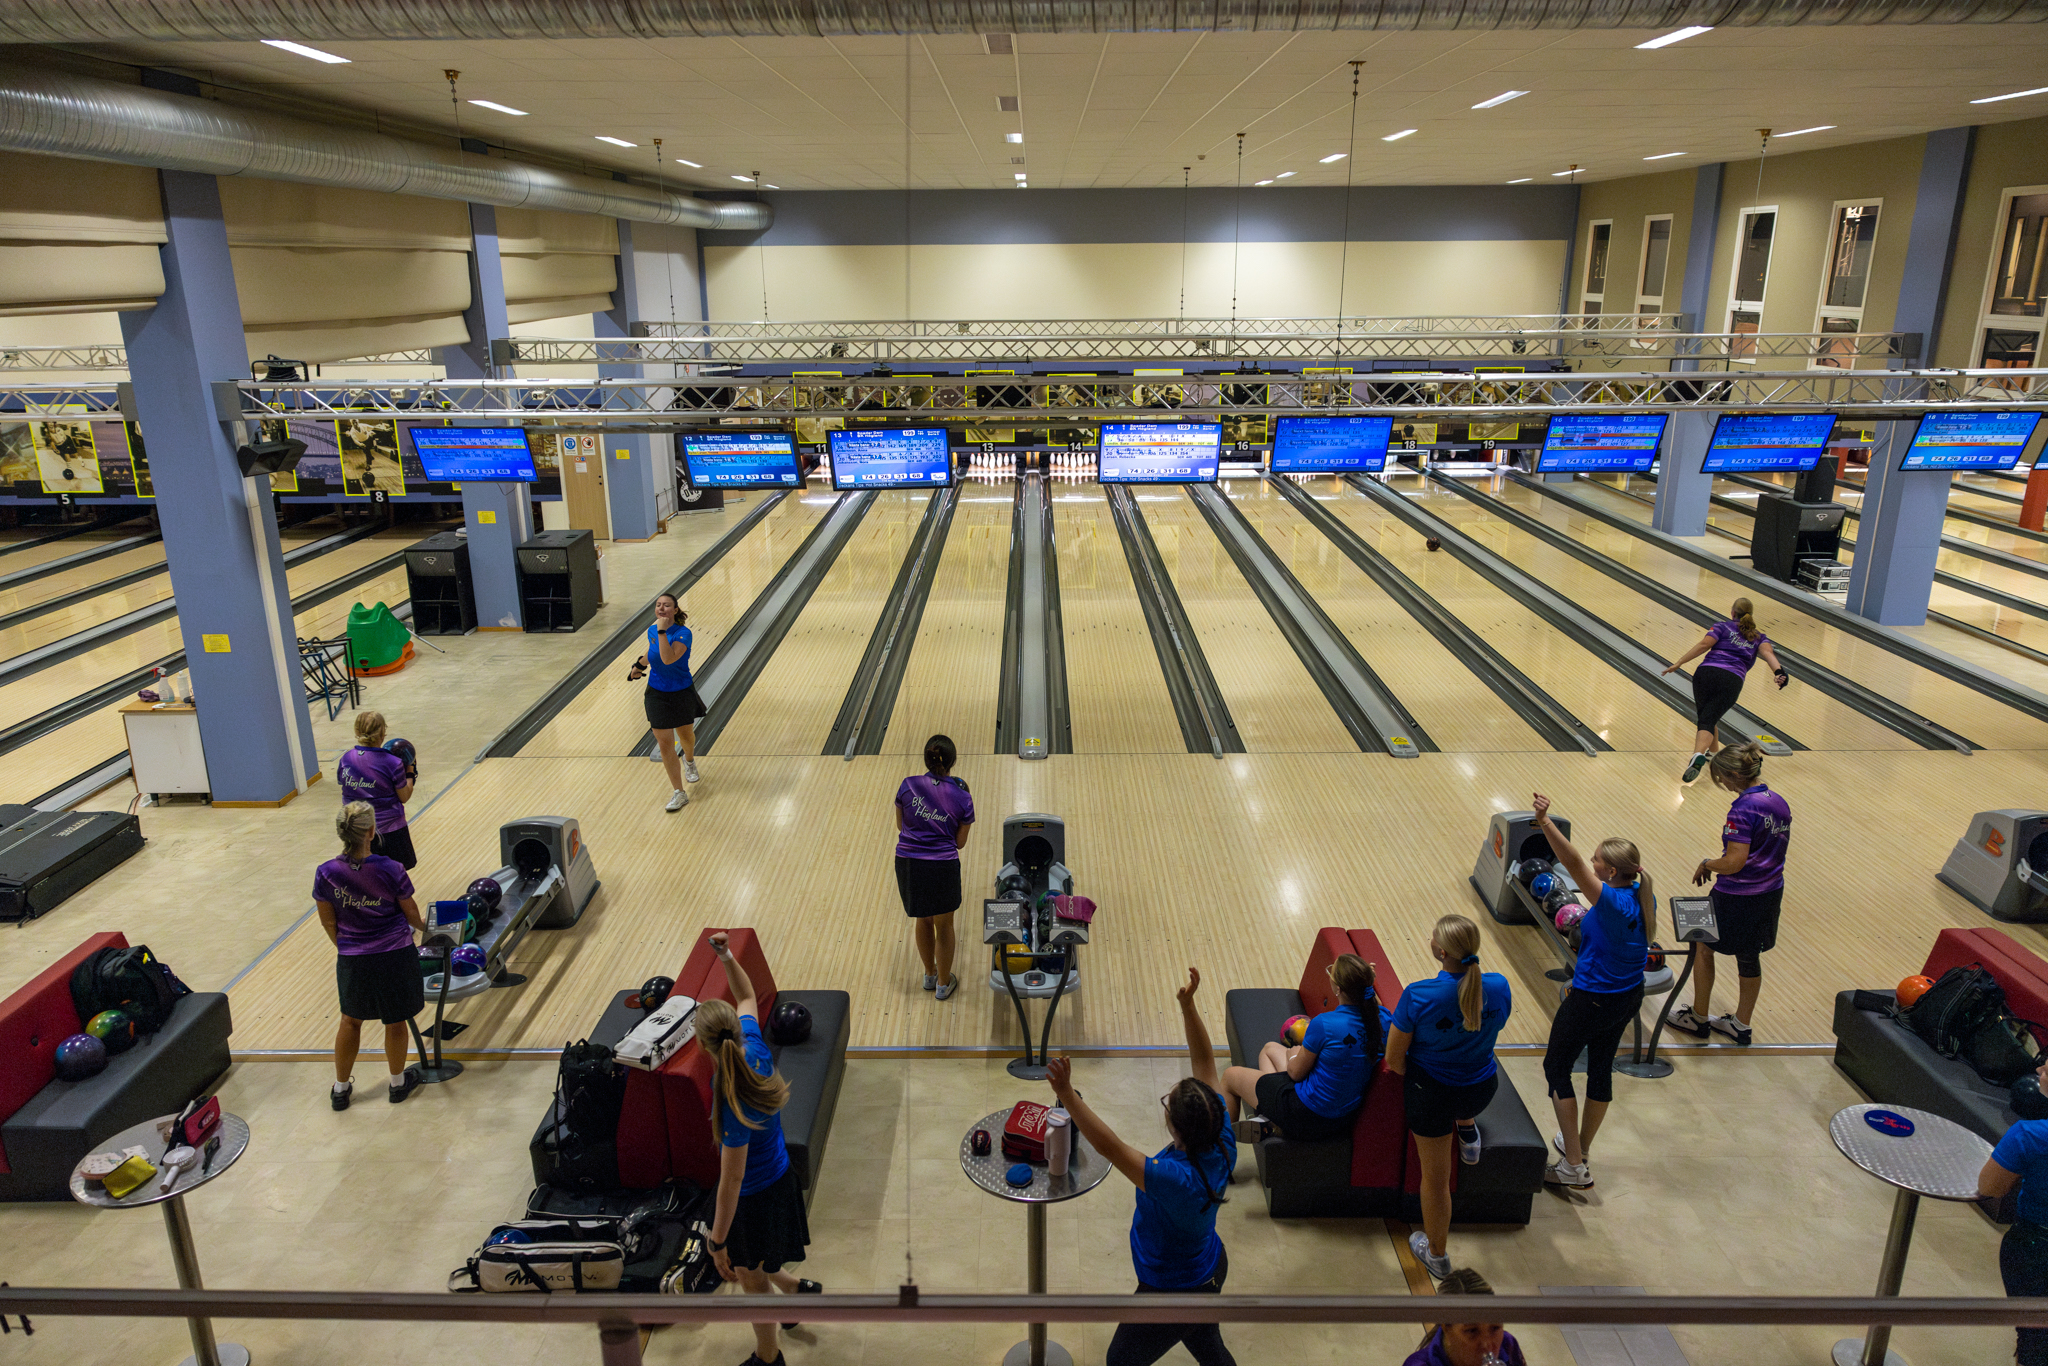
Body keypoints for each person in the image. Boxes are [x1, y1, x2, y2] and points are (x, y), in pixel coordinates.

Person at [1047, 967, 1238, 1366]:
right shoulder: (1220, 1135)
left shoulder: (1174, 1179)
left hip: (1175, 1291)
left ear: (1177, 1128)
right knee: (1211, 1351)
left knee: (1119, 1361)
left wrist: (1066, 1092)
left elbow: (1110, 1147)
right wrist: (1187, 1007)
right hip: (1205, 1270)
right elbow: (1205, 1062)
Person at [701, 931, 820, 1366]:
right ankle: (791, 1293)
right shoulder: (756, 1050)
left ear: (705, 1048)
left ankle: (768, 1358)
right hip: (782, 1179)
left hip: (753, 1200)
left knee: (751, 1280)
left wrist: (716, 1242)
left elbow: (732, 1179)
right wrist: (726, 955)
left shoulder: (729, 1096)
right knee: (768, 1257)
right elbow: (747, 994)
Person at [1531, 792, 1652, 1190]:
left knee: (1555, 1068)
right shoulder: (1639, 892)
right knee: (1600, 1068)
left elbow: (1572, 863)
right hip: (1626, 997)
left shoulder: (1613, 899)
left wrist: (1545, 822)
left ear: (1613, 871)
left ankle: (1572, 1165)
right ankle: (1578, 1152)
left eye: (1599, 858)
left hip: (1594, 999)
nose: (1593, 861)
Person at [1386, 914, 1511, 1281]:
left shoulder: (1420, 994)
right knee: (1465, 1083)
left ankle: (1437, 1255)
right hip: (1480, 1091)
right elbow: (1492, 1026)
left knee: (1436, 1181)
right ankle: (1468, 1133)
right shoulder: (1499, 986)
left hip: (1433, 1098)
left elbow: (1394, 1060)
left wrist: (1424, 1078)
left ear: (1439, 951)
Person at [1670, 742, 1791, 1048]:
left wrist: (1707, 863)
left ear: (1736, 774)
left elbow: (1734, 862)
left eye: (1722, 778)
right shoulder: (1777, 801)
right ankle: (1740, 1025)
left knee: (1701, 943)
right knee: (1749, 956)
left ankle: (1698, 1018)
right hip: (1770, 890)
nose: (1721, 783)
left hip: (1736, 895)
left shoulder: (1743, 808)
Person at [314, 801, 425, 1109]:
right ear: (372, 832)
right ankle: (397, 1084)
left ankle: (340, 1090)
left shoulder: (326, 873)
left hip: (353, 957)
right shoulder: (391, 868)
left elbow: (327, 921)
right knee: (395, 1019)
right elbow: (412, 914)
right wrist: (434, 929)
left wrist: (348, 948)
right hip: (395, 954)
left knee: (350, 1021)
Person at [1218, 953, 1381, 1141]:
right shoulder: (1382, 1022)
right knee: (1269, 1049)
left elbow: (1295, 1073)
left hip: (1305, 1114)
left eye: (1331, 972)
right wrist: (1368, 984)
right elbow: (1376, 1008)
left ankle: (1222, 1151)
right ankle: (1270, 1119)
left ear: (1338, 989)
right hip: (1342, 1119)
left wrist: (1294, 1056)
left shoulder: (1325, 1024)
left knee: (1230, 1077)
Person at [1660, 596, 1788, 784]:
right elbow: (1768, 653)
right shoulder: (1759, 637)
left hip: (1705, 674)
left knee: (1707, 716)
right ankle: (1698, 754)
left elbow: (1705, 644)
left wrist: (1679, 662)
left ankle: (1711, 754)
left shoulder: (1722, 626)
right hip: (1731, 680)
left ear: (1732, 613)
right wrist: (1779, 672)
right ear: (1750, 615)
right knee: (1709, 717)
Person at [895, 733, 973, 1000]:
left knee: (923, 918)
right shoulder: (962, 796)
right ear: (952, 761)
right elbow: (960, 843)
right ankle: (943, 984)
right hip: (941, 867)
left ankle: (929, 974)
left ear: (926, 759)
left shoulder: (907, 785)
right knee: (945, 924)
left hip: (908, 862)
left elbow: (900, 825)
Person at [1981, 1063, 2048, 1366]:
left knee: (2036, 1341)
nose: (2040, 1067)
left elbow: (1989, 1186)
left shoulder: (2029, 1136)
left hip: (2035, 1253)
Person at [629, 592, 705, 812]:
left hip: (681, 692)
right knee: (664, 742)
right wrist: (639, 665)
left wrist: (662, 631)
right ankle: (679, 792)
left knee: (685, 736)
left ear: (675, 610)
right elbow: (652, 651)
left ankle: (689, 760)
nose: (661, 609)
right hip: (656, 693)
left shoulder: (683, 634)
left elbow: (668, 658)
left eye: (666, 605)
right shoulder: (653, 630)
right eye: (658, 605)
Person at [336, 710, 415, 869]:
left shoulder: (346, 759)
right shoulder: (392, 762)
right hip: (389, 831)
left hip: (356, 830)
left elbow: (342, 783)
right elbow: (404, 796)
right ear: (383, 733)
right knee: (393, 876)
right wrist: (410, 772)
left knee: (364, 875)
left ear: (357, 731)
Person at [1403, 1267, 1530, 1366]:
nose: (1487, 1344)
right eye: (1472, 1331)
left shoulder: (1508, 1344)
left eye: (1495, 1328)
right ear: (1447, 1328)